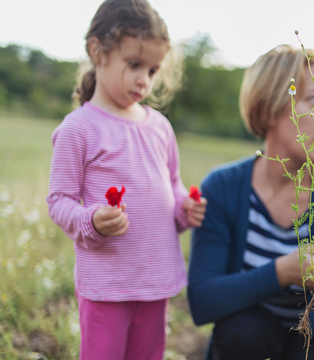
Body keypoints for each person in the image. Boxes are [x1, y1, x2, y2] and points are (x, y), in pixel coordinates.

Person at [187, 44, 314, 360]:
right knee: (241, 332)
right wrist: (282, 272)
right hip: (252, 342)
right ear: (267, 109)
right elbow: (203, 302)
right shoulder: (223, 187)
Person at [46, 0, 206, 358]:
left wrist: (184, 208)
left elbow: (172, 183)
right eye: (134, 64)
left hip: (154, 280)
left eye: (152, 70)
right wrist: (91, 220)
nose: (144, 80)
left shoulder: (160, 127)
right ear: (97, 51)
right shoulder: (79, 129)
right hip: (107, 285)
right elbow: (59, 202)